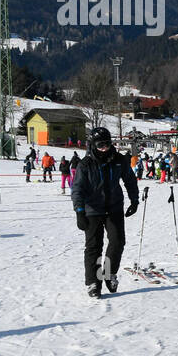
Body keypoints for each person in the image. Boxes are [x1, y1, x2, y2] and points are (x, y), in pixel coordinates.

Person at [70, 128, 140, 298]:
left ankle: (108, 273)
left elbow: (129, 180)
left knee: (117, 242)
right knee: (94, 246)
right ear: (93, 145)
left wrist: (134, 200)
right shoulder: (85, 164)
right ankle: (94, 282)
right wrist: (79, 211)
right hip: (92, 209)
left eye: (107, 144)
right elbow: (77, 188)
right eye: (100, 145)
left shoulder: (119, 160)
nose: (104, 148)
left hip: (113, 207)